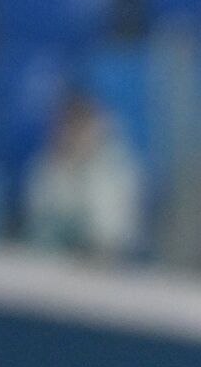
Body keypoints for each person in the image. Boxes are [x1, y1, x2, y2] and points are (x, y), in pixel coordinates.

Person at [22, 93, 144, 263]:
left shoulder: (115, 170)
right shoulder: (46, 166)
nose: (74, 136)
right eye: (68, 127)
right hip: (50, 264)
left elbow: (111, 237)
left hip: (106, 268)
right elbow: (39, 223)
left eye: (82, 128)